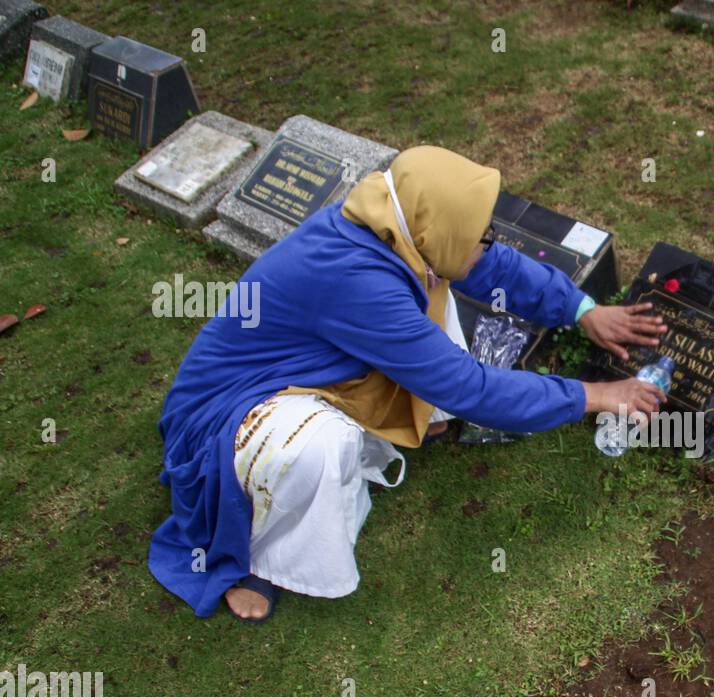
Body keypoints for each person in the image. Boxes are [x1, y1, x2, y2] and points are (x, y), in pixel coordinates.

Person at [149, 145, 667, 621]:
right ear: (432, 230)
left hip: (304, 367)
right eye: (476, 236)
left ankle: (417, 421)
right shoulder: (360, 281)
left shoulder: (398, 227)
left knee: (435, 293)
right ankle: (261, 554)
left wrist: (583, 311)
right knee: (319, 447)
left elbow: (494, 266)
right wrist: (595, 395)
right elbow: (472, 389)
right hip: (227, 411)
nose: (486, 244)